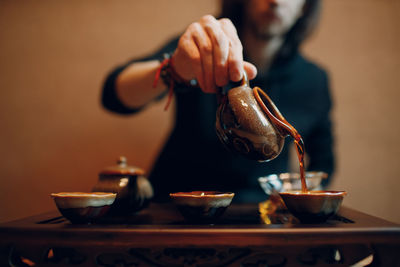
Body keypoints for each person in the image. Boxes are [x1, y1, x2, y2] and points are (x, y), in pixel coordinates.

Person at [102, 0, 335, 203]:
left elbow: (324, 161)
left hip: (262, 215)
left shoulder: (314, 79)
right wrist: (174, 70)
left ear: (305, 5)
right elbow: (114, 95)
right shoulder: (204, 49)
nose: (275, 0)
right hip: (177, 206)